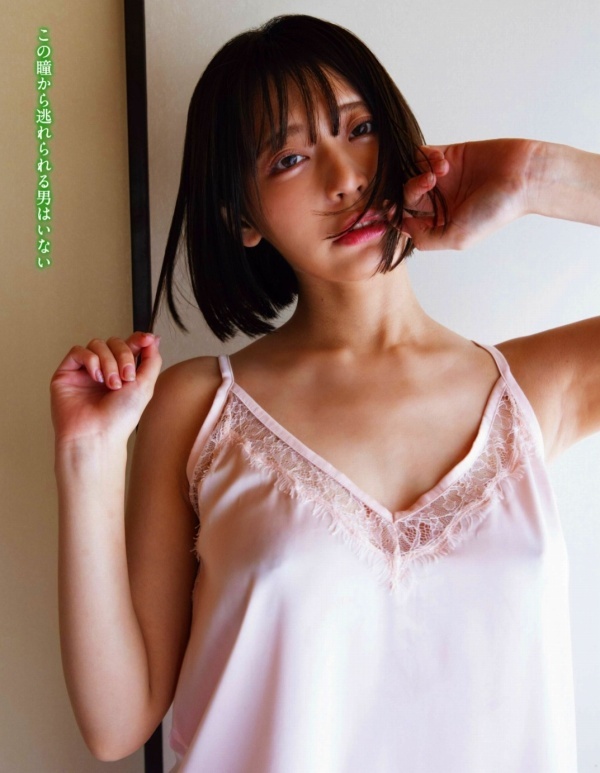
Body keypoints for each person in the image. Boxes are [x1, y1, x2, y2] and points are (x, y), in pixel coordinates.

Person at [50, 14, 600, 773]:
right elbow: (118, 724)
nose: (345, 177)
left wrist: (538, 175)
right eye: (290, 158)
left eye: (362, 128)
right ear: (241, 215)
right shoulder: (200, 407)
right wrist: (86, 456)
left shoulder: (531, 392)